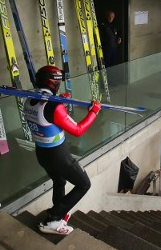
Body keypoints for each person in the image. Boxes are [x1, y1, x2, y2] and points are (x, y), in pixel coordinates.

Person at [24, 65, 102, 235]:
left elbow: (47, 117)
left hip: (42, 152)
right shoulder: (53, 106)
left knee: (59, 182)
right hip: (58, 154)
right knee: (83, 184)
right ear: (55, 82)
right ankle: (52, 218)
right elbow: (78, 130)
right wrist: (94, 113)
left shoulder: (28, 99)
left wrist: (60, 101)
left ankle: (57, 215)